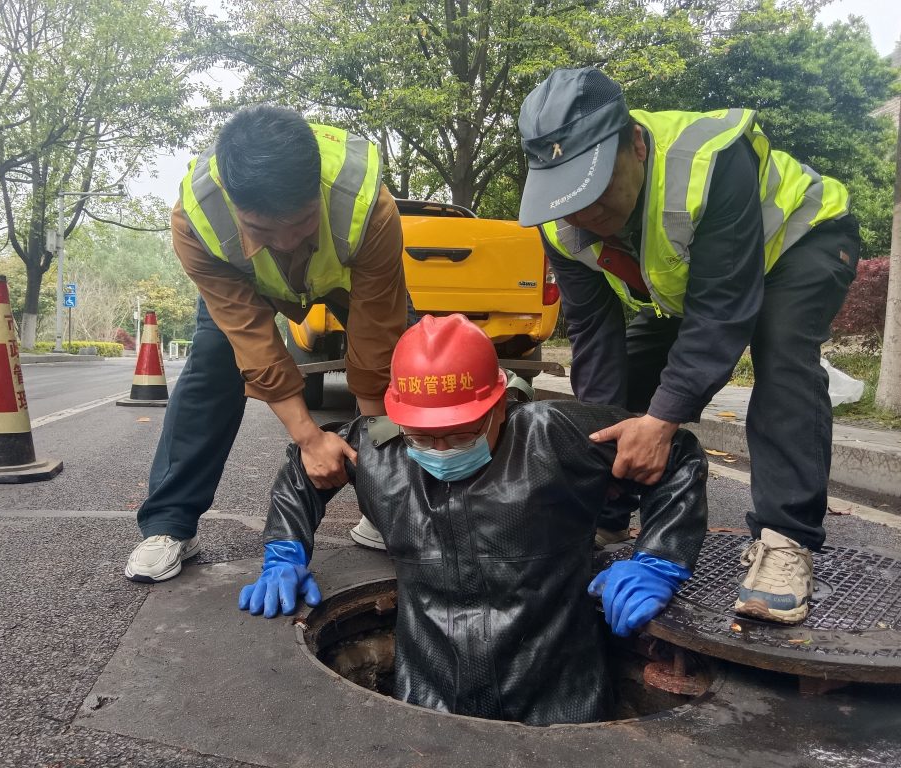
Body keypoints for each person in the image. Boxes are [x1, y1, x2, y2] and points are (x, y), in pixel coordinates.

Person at [239, 314, 707, 726]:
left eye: (460, 434)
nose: (440, 450)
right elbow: (306, 470)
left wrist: (658, 559)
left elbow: (676, 454)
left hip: (560, 697)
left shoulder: (551, 435)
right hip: (428, 694)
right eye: (423, 436)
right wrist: (285, 552)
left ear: (499, 406)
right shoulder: (378, 450)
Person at [516, 67, 859, 626]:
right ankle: (610, 510)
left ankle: (786, 540)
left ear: (634, 145)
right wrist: (605, 457)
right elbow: (593, 336)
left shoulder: (709, 162)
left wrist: (662, 421)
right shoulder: (560, 226)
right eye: (568, 199)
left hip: (799, 242)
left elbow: (722, 312)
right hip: (698, 284)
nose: (585, 217)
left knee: (782, 356)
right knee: (622, 377)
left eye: (597, 194)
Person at [124, 106, 408, 583]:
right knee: (213, 366)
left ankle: (388, 502)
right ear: (236, 204)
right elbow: (253, 341)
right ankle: (170, 523)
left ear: (316, 189)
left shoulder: (368, 208)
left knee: (412, 362)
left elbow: (376, 338)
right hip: (243, 283)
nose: (285, 242)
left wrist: (374, 448)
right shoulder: (197, 221)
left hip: (346, 279)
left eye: (301, 223)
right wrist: (309, 439)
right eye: (261, 230)